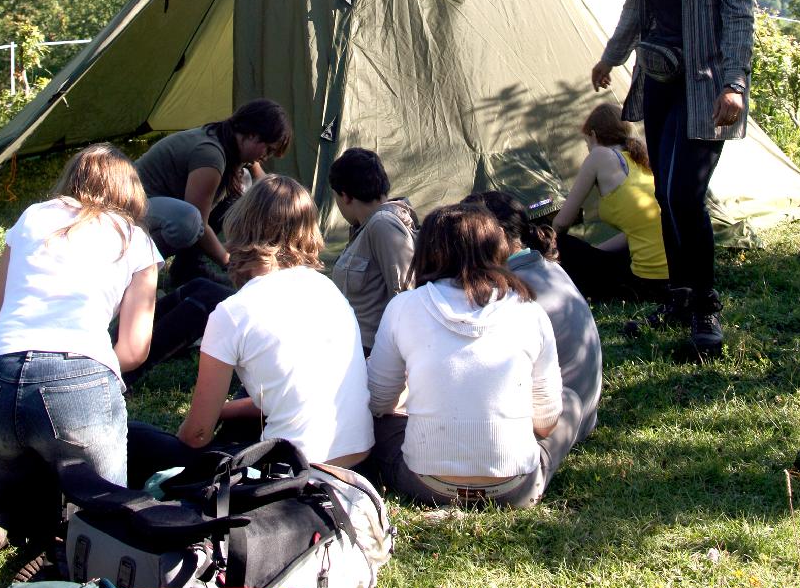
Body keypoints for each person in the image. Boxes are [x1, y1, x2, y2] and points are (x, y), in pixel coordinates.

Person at [591, 0, 754, 355]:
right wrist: (611, 57)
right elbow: (635, 7)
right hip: (658, 82)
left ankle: (706, 311)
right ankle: (679, 297)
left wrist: (735, 85)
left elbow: (738, 18)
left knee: (686, 194)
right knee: (663, 195)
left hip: (706, 86)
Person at [0, 144, 160, 545]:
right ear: (130, 193)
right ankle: (67, 551)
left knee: (23, 494)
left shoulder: (32, 218)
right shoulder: (134, 239)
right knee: (104, 507)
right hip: (77, 379)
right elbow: (135, 350)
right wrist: (92, 371)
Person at [127, 175, 373, 483]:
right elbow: (287, 387)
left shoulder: (234, 312)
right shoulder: (329, 289)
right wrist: (225, 410)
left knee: (135, 438)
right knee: (243, 407)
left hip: (292, 469)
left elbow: (196, 435)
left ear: (242, 225)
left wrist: (190, 435)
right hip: (356, 457)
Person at [367, 205, 563, 508]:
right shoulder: (529, 311)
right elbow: (546, 422)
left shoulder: (404, 307)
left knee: (377, 428)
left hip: (424, 483)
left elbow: (378, 402)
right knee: (562, 428)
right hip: (515, 487)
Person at [463, 190, 602, 481]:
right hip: (582, 414)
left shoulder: (510, 291)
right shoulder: (548, 267)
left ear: (495, 234)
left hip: (549, 423)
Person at [135, 99, 291, 286]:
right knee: (188, 221)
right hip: (134, 207)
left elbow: (264, 188)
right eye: (269, 149)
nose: (266, 156)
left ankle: (187, 269)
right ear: (252, 134)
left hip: (161, 207)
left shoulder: (230, 140)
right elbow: (198, 222)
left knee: (242, 186)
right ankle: (136, 265)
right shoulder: (211, 155)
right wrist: (228, 262)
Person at [549, 104, 669, 301]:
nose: (587, 148)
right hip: (676, 278)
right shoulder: (641, 157)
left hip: (646, 282)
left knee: (561, 243)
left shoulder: (599, 156)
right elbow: (637, 231)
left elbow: (561, 224)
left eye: (586, 142)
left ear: (594, 135)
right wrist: (596, 251)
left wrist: (548, 244)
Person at [329, 148, 419, 353]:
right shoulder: (367, 227)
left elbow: (405, 295)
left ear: (345, 196)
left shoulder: (382, 224)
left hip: (372, 351)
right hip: (355, 347)